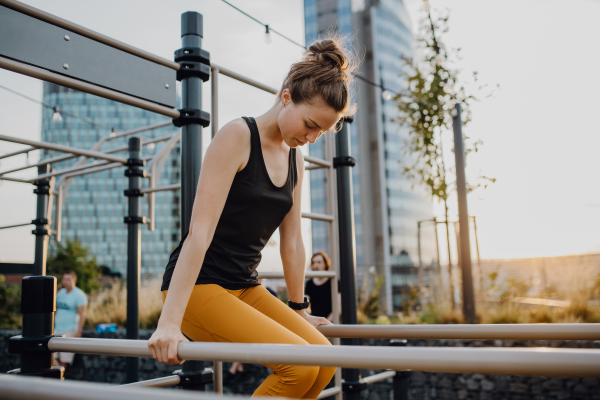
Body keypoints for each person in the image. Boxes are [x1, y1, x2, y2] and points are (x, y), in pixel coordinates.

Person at [148, 36, 357, 399]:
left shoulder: (295, 159)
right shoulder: (237, 136)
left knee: (324, 360)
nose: (311, 138)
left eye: (320, 132)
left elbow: (292, 243)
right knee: (299, 366)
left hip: (245, 286)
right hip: (200, 287)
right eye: (309, 125)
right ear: (287, 96)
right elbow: (199, 232)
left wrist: (299, 310)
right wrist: (168, 320)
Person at [53, 271, 88, 368]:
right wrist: (54, 291)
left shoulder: (79, 295)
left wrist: (79, 331)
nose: (65, 281)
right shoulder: (60, 293)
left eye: (68, 279)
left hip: (70, 329)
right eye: (64, 279)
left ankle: (60, 380)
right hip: (57, 329)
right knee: (50, 355)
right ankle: (60, 379)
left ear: (74, 280)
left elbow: (82, 314)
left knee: (64, 359)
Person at [304, 252, 338, 322]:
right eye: (313, 262)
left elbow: (338, 308)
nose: (316, 265)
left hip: (330, 324)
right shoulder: (309, 283)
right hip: (315, 324)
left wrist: (325, 323)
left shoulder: (334, 282)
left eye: (319, 262)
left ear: (325, 264)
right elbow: (305, 305)